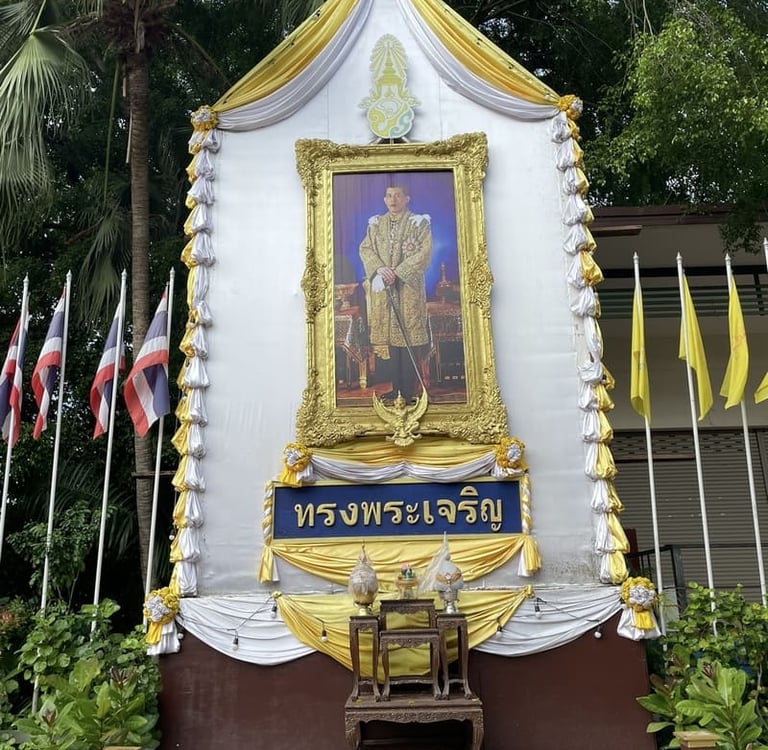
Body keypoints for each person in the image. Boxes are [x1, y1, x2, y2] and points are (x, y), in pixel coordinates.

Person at [359, 183, 432, 402]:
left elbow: (424, 252)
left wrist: (398, 272)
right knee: (390, 342)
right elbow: (365, 248)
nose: (393, 200)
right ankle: (396, 388)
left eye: (398, 195)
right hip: (384, 290)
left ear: (406, 198)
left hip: (407, 290)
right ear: (384, 199)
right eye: (389, 196)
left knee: (406, 338)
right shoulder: (375, 224)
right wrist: (379, 269)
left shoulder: (418, 223)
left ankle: (409, 390)